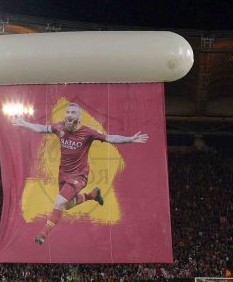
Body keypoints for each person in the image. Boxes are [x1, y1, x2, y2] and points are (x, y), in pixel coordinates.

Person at [12, 102, 149, 245]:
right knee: (68, 205)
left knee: (59, 202)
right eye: (67, 112)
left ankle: (42, 235)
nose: (69, 115)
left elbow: (110, 138)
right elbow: (41, 128)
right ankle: (92, 195)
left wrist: (130, 139)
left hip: (79, 175)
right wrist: (24, 123)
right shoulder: (59, 127)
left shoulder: (88, 132)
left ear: (79, 117)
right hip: (63, 174)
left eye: (73, 113)